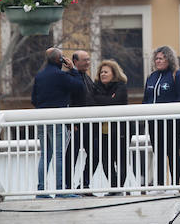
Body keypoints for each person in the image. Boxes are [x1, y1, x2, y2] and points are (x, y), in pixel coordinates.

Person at [31, 48, 82, 196]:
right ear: (60, 60)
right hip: (56, 118)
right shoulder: (60, 75)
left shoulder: (39, 76)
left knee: (45, 154)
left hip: (41, 118)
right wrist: (73, 69)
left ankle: (41, 190)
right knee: (59, 154)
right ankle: (60, 190)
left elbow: (34, 99)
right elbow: (79, 87)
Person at [143, 46, 180, 186]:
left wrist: (167, 111)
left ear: (168, 59)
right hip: (154, 123)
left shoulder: (177, 75)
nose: (158, 61)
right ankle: (161, 184)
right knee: (159, 154)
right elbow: (146, 99)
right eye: (156, 58)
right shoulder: (151, 77)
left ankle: (176, 184)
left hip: (171, 123)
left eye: (161, 58)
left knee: (172, 153)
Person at [63, 50, 99, 193]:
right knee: (71, 156)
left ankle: (84, 184)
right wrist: (71, 123)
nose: (88, 63)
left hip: (91, 124)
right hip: (77, 125)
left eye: (89, 60)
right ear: (75, 62)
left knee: (96, 154)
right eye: (85, 60)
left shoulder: (87, 77)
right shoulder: (69, 78)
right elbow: (67, 101)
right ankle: (68, 186)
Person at [94, 59, 129, 191]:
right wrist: (108, 100)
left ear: (114, 74)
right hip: (102, 132)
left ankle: (119, 188)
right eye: (101, 72)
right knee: (105, 162)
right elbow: (94, 100)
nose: (103, 74)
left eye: (106, 72)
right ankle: (114, 188)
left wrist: (102, 100)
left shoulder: (121, 87)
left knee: (120, 161)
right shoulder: (96, 87)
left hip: (120, 131)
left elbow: (115, 102)